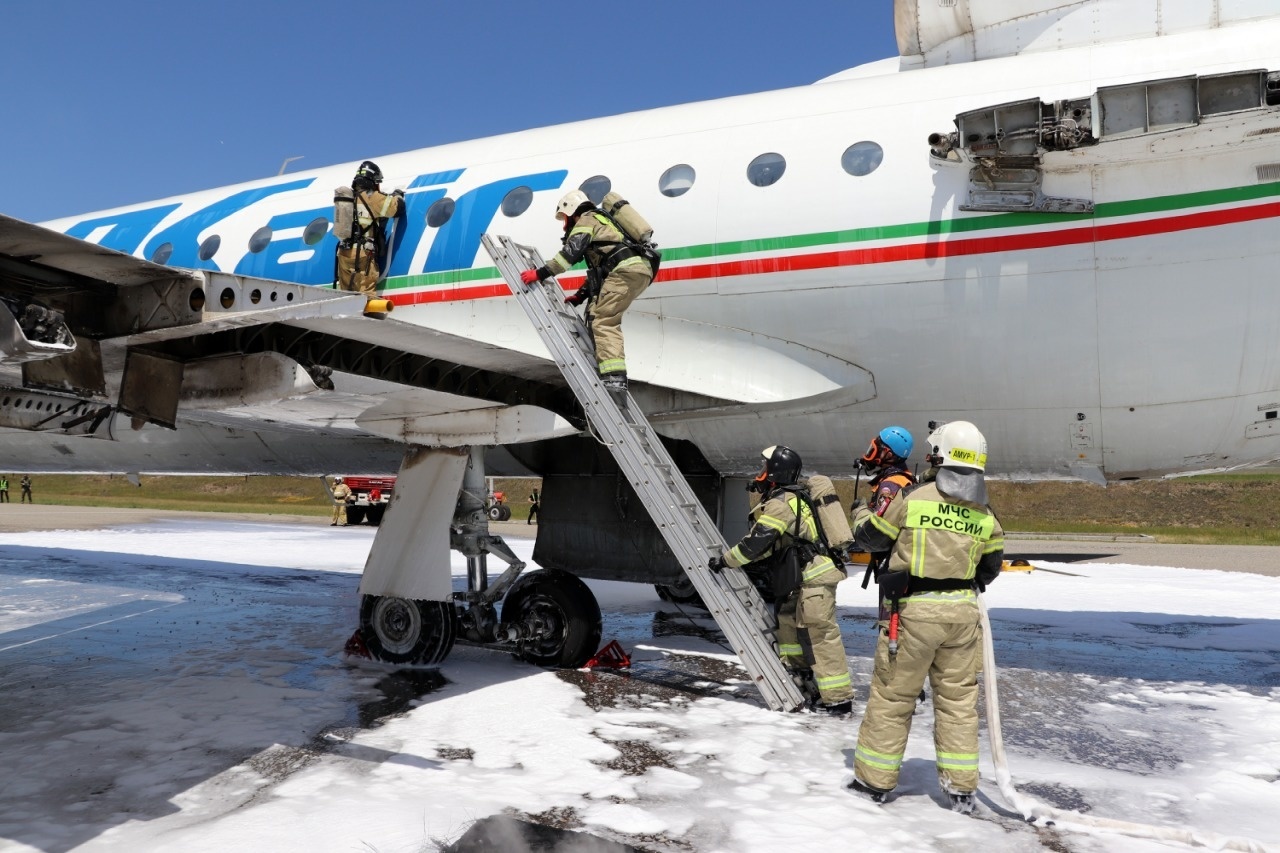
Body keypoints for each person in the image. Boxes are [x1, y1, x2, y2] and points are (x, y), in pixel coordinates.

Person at [845, 421, 1005, 814]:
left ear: (939, 455)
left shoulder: (913, 498)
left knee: (893, 697)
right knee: (957, 703)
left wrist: (860, 512)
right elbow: (990, 569)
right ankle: (961, 789)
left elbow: (871, 539)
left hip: (912, 615)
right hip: (963, 617)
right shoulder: (986, 512)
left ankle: (873, 783)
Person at [708, 445, 855, 715]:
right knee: (790, 628)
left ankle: (839, 699)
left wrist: (725, 560)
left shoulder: (780, 504)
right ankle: (803, 679)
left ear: (775, 471)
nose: (761, 473)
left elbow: (756, 544)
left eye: (765, 467)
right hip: (802, 580)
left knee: (821, 639)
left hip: (814, 578)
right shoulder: (791, 498)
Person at [519, 190, 656, 394]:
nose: (565, 225)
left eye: (564, 219)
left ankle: (614, 380)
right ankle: (607, 369)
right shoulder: (602, 221)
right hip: (638, 270)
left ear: (571, 211)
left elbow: (568, 256)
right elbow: (602, 267)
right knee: (595, 312)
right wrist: (581, 295)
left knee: (603, 320)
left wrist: (539, 274)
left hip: (624, 271)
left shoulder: (586, 221)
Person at [335, 161, 405, 300]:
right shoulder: (372, 197)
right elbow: (396, 208)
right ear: (372, 181)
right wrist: (397, 195)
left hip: (343, 252)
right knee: (366, 295)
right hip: (362, 254)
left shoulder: (349, 198)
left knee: (345, 295)